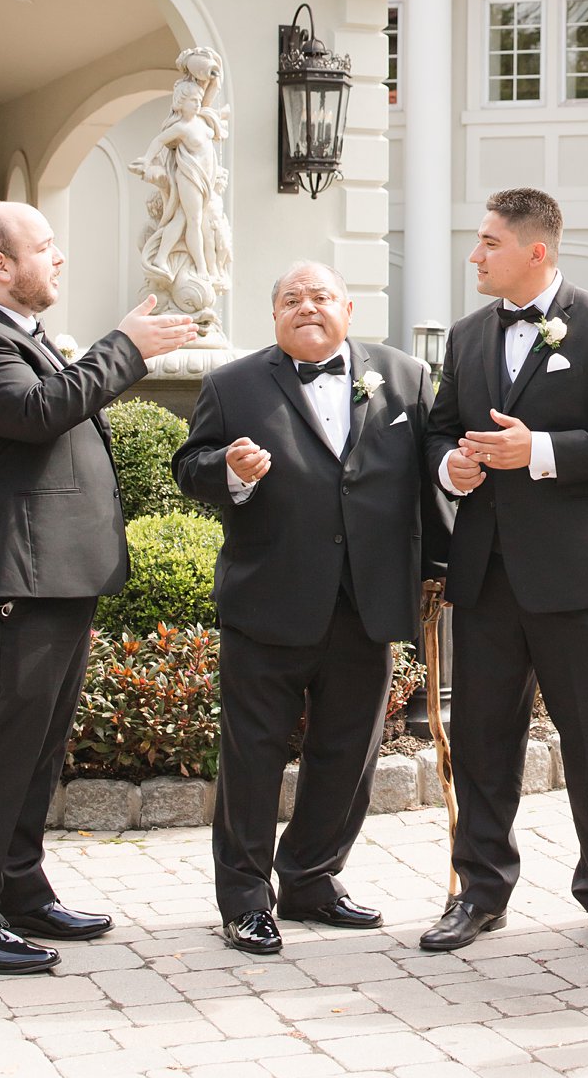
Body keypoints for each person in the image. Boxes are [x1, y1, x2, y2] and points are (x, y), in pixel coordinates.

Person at [0, 202, 198, 974]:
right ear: (0, 264)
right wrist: (124, 349)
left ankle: (18, 887)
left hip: (54, 574)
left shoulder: (14, 332)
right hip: (15, 574)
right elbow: (40, 412)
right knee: (2, 747)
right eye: (44, 246)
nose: (59, 257)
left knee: (38, 747)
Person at [173, 262, 450, 955]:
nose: (307, 307)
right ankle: (244, 899)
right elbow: (189, 467)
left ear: (348, 309)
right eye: (290, 298)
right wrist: (227, 471)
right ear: (274, 317)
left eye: (321, 296)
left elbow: (428, 480)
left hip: (367, 601)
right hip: (268, 600)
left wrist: (440, 569)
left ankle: (312, 878)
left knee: (347, 753)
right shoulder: (231, 384)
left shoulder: (407, 378)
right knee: (251, 758)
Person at [420, 187, 588, 956]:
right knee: (483, 738)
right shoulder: (464, 337)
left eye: (489, 242)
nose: (475, 255)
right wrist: (453, 467)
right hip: (486, 576)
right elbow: (435, 431)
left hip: (577, 578)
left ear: (537, 250)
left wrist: (542, 451)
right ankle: (479, 892)